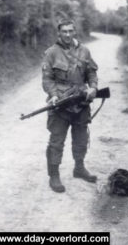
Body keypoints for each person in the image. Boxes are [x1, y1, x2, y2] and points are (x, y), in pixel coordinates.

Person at [42, 20, 98, 193]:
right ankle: (54, 175)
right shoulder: (51, 53)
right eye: (64, 31)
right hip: (60, 105)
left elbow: (91, 72)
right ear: (59, 33)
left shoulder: (84, 51)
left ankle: (79, 168)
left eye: (70, 31)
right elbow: (47, 79)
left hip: (81, 103)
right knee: (56, 142)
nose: (67, 34)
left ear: (75, 32)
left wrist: (94, 88)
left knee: (81, 138)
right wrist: (53, 95)